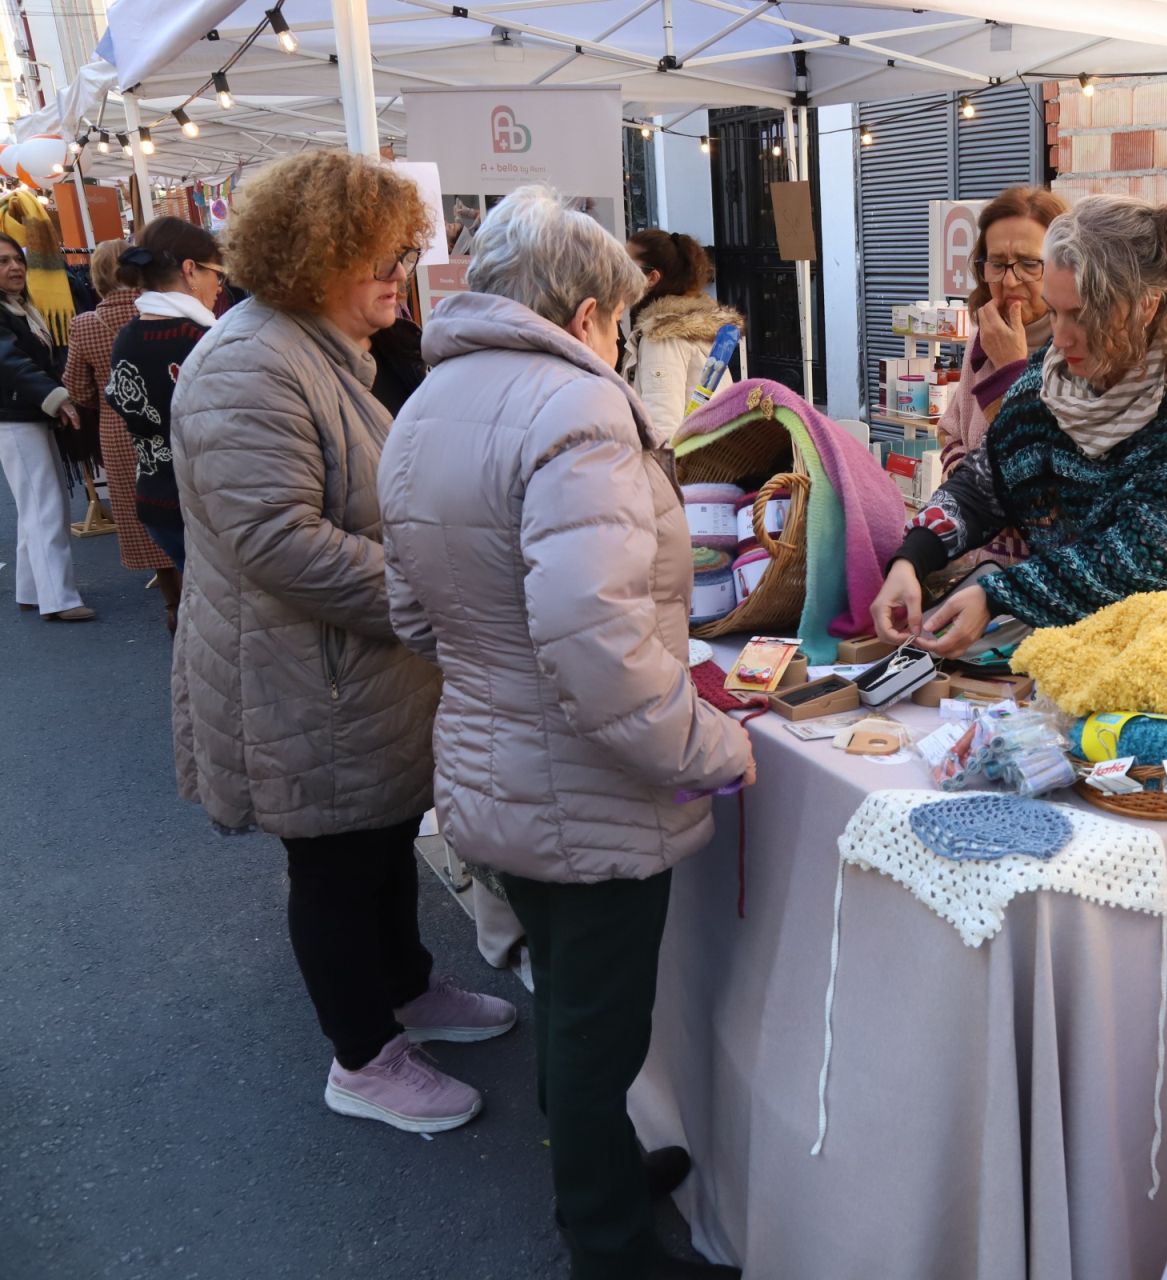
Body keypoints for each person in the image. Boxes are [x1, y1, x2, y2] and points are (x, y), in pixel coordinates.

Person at [382, 185, 754, 1280]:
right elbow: (600, 649)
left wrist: (500, 665)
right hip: (591, 784)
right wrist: (710, 750)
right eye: (621, 318)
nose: (621, 338)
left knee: (569, 1005)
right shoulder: (578, 409)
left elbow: (413, 611)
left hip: (492, 758)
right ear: (589, 311)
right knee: (599, 1029)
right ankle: (609, 1243)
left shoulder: (429, 402)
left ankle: (601, 1181)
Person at [170, 150, 514, 1135]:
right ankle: (361, 1056)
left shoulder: (312, 347)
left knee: (380, 835)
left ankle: (405, 989)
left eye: (402, 252)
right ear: (316, 257)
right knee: (333, 861)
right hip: (299, 674)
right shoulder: (252, 362)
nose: (401, 274)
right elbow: (280, 541)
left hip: (346, 669)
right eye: (383, 257)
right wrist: (435, 589)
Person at [871, 196, 1167, 654]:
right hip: (1119, 642)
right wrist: (912, 558)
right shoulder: (1047, 385)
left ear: (1145, 306)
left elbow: (1142, 554)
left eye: (1082, 316)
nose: (1061, 337)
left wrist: (998, 595)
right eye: (1055, 311)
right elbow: (983, 485)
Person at [932, 186, 1066, 581]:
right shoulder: (982, 339)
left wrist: (1012, 369)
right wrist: (969, 484)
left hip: (1046, 576)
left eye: (1029, 263)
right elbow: (952, 430)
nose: (1010, 281)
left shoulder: (1077, 350)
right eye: (998, 264)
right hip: (981, 565)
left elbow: (1051, 475)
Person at [66, 239, 179, 626]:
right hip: (166, 421)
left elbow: (77, 388)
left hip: (117, 430)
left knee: (145, 513)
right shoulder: (162, 312)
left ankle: (172, 604)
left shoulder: (83, 325)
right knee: (180, 506)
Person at [104, 217, 224, 574]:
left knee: (199, 596)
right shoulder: (203, 340)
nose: (220, 285)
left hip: (155, 501)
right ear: (190, 270)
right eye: (217, 273)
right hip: (206, 505)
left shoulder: (127, 337)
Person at [0, 232, 92, 622]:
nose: (15, 267)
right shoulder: (9, 311)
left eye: (17, 259)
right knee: (45, 505)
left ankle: (33, 590)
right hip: (16, 418)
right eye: (3, 261)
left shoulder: (19, 306)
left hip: (25, 415)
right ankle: (59, 598)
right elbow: (11, 362)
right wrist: (58, 397)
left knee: (37, 505)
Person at [624, 229, 742, 433]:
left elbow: (663, 426)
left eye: (625, 265)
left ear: (652, 277)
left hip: (687, 453)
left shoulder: (663, 336)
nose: (618, 273)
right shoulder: (692, 326)